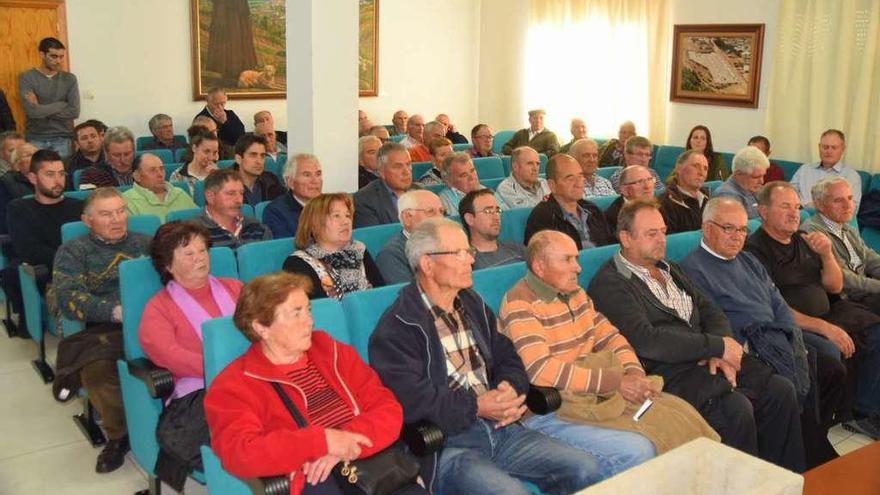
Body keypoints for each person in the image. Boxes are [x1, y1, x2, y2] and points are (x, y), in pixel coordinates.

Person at [369, 218, 602, 495]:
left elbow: (508, 356)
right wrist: (476, 406)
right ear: (427, 264)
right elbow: (411, 400)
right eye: (459, 253)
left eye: (469, 252)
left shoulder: (471, 303)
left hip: (504, 429)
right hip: (451, 444)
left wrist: (510, 388)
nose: (470, 260)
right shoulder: (398, 326)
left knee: (584, 467)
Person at [588, 199, 806, 472]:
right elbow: (647, 340)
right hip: (667, 370)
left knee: (780, 390)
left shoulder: (670, 268)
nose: (661, 240)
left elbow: (711, 310)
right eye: (651, 234)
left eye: (663, 232)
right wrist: (714, 347)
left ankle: (784, 478)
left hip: (705, 357)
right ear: (625, 238)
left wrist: (722, 348)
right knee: (735, 410)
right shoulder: (611, 283)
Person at [204, 272, 423, 495]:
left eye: (308, 309)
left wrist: (343, 445)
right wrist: (322, 442)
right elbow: (240, 453)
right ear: (261, 327)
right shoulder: (234, 385)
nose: (309, 320)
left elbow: (388, 409)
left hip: (374, 467)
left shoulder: (333, 351)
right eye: (296, 313)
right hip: (322, 482)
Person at [681, 197, 846, 468]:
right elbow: (714, 322)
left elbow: (778, 304)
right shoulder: (693, 269)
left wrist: (792, 340)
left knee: (828, 369)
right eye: (728, 229)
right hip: (748, 347)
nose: (737, 237)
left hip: (777, 338)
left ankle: (811, 444)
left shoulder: (748, 260)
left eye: (743, 230)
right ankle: (801, 460)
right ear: (708, 229)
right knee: (789, 382)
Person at [500, 230, 663, 476]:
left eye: (576, 258)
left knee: (676, 419)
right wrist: (617, 382)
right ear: (539, 266)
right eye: (567, 260)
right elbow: (540, 370)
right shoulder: (520, 303)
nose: (577, 268)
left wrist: (633, 372)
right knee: (639, 449)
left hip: (594, 396)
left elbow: (610, 336)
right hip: (550, 409)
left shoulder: (575, 293)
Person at [747, 182, 880, 439]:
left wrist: (827, 254)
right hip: (793, 322)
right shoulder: (755, 250)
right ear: (763, 211)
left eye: (796, 207)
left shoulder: (804, 239)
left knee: (875, 329)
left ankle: (862, 409)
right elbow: (774, 306)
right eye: (785, 206)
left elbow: (834, 285)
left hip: (830, 308)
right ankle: (818, 429)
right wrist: (825, 328)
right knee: (831, 353)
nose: (794, 213)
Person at [52, 188, 152, 473]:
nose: (117, 219)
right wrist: (115, 310)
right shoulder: (73, 252)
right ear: (87, 220)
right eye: (107, 214)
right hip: (104, 328)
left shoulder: (147, 244)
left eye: (121, 211)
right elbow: (68, 298)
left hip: (150, 321)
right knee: (98, 372)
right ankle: (119, 436)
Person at [138, 221, 241, 489]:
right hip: (199, 391)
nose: (200, 258)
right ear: (168, 265)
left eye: (203, 251)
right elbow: (169, 356)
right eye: (189, 254)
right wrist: (225, 369)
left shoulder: (235, 288)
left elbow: (265, 327)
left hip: (252, 376)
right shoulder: (159, 308)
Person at [4, 150, 83, 317]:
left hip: (84, 270)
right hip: (52, 273)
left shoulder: (79, 206)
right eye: (50, 174)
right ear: (33, 178)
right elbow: (31, 251)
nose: (58, 180)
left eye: (61, 174)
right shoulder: (19, 209)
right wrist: (73, 265)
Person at [284, 193, 383, 300]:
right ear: (314, 224)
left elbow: (381, 294)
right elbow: (319, 309)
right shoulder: (298, 263)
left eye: (347, 215)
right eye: (336, 216)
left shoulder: (359, 250)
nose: (345, 222)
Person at [804, 177, 880, 312]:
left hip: (865, 291)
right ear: (820, 204)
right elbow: (844, 278)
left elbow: (869, 257)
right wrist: (877, 286)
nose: (848, 205)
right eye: (838, 200)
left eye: (850, 198)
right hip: (847, 300)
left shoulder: (846, 227)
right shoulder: (813, 232)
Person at [525, 154, 614, 249]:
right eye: (570, 178)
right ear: (552, 185)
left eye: (580, 176)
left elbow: (611, 244)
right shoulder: (543, 217)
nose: (579, 184)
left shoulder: (592, 209)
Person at [18, 37, 79, 158]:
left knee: (62, 175)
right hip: (35, 137)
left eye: (61, 57)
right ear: (42, 54)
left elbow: (74, 112)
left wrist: (40, 108)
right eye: (53, 56)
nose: (58, 61)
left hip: (63, 137)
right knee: (35, 175)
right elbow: (32, 112)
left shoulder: (70, 78)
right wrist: (60, 105)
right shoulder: (27, 77)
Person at [190, 169, 272, 248]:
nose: (239, 200)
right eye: (231, 194)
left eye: (241, 193)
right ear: (210, 196)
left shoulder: (257, 228)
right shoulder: (193, 233)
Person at [375, 190, 444, 284]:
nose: (440, 218)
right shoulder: (391, 255)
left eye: (441, 211)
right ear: (407, 217)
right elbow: (409, 295)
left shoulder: (450, 243)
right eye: (430, 211)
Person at [790, 129, 862, 209]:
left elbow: (852, 209)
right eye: (825, 147)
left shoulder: (851, 176)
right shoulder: (804, 170)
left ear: (843, 149)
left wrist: (817, 207)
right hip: (798, 215)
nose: (829, 151)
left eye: (834, 148)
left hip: (831, 220)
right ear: (819, 147)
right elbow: (788, 194)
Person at [353, 142, 417, 228]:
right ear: (381, 172)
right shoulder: (364, 201)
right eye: (398, 166)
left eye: (408, 164)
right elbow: (375, 239)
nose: (406, 172)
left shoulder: (420, 191)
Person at [460, 189, 525, 270]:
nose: (496, 217)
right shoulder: (467, 263)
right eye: (488, 211)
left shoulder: (518, 249)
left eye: (497, 210)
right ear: (470, 219)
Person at [122, 153, 197, 222]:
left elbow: (200, 220)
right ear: (137, 176)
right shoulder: (127, 201)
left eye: (161, 169)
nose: (160, 174)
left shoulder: (180, 193)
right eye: (152, 170)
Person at [264, 153, 323, 239]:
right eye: (307, 175)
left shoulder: (331, 205)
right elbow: (287, 248)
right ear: (290, 182)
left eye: (318, 174)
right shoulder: (275, 212)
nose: (315, 181)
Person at [658, 150, 710, 234]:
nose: (701, 173)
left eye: (705, 168)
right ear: (678, 169)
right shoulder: (665, 203)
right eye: (696, 166)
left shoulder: (709, 199)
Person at [712, 146, 770, 219]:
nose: (761, 181)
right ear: (738, 174)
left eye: (763, 176)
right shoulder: (726, 196)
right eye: (755, 177)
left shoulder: (755, 189)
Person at [232, 134, 282, 207]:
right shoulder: (225, 184)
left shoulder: (271, 180)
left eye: (262, 156)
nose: (259, 161)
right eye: (253, 155)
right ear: (238, 159)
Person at [605, 165, 657, 234]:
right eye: (639, 182)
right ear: (624, 190)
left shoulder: (661, 206)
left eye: (649, 179)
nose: (647, 186)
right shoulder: (613, 218)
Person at [170, 128, 220, 195]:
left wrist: (218, 176)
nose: (211, 157)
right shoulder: (178, 176)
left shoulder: (219, 175)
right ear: (194, 148)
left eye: (214, 152)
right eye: (206, 151)